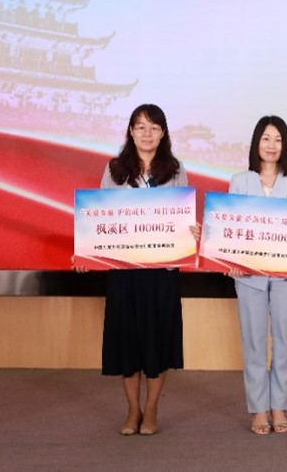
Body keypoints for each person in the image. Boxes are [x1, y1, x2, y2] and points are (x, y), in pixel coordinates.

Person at [99, 103, 186, 436]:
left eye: (154, 127)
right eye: (140, 127)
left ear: (163, 133)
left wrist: (191, 231)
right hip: (125, 271)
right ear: (130, 132)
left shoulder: (175, 170)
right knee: (127, 340)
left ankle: (151, 409)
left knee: (157, 340)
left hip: (161, 272)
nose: (147, 133)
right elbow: (99, 218)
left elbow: (182, 217)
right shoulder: (114, 170)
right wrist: (87, 252)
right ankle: (132, 409)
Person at [228, 116, 287, 435]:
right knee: (253, 342)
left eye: (278, 139)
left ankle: (279, 405)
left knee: (285, 341)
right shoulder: (240, 181)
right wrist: (232, 259)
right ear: (256, 143)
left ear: (286, 144)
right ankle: (258, 409)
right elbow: (230, 227)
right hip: (248, 275)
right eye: (266, 138)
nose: (272, 145)